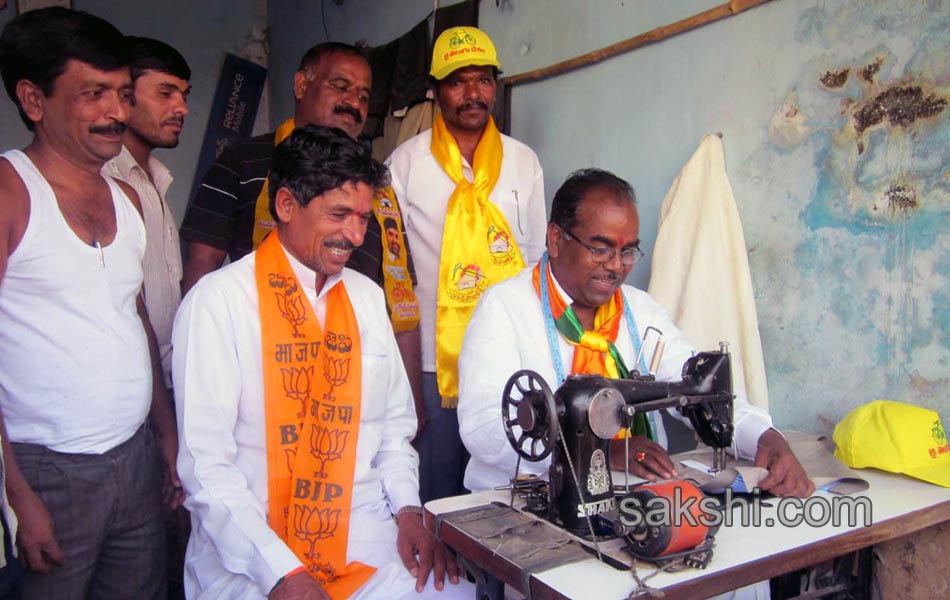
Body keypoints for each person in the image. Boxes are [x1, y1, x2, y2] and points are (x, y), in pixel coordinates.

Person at [173, 125, 469, 600]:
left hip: (363, 528)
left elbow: (393, 433)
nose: (354, 235)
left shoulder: (367, 299)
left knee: (454, 593)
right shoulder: (219, 303)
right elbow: (206, 467)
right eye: (339, 214)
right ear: (287, 206)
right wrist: (280, 573)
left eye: (362, 217)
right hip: (254, 545)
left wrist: (411, 513)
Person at [458, 168, 814, 499]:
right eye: (600, 248)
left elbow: (694, 383)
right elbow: (482, 427)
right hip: (517, 500)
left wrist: (765, 437)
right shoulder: (504, 308)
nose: (615, 266)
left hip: (625, 498)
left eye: (627, 251)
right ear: (555, 239)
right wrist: (599, 451)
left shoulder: (639, 312)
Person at [0, 7, 180, 598]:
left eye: (123, 94)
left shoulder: (127, 197)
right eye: (94, 94)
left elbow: (134, 325)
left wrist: (166, 438)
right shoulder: (10, 194)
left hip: (133, 459)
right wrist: (15, 493)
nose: (116, 113)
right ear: (33, 99)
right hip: (45, 472)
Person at [179, 42, 424, 435]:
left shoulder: (375, 184)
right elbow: (201, 270)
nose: (353, 103)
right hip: (264, 380)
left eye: (363, 95)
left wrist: (411, 402)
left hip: (357, 377)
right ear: (300, 85)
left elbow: (400, 296)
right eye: (340, 87)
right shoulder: (241, 162)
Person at [387, 26, 546, 503]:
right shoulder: (404, 164)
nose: (473, 93)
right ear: (435, 92)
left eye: (483, 80)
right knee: (437, 485)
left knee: (508, 485)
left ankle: (491, 576)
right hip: (436, 364)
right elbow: (394, 273)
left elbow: (537, 256)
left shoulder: (524, 163)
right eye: (458, 82)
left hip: (511, 356)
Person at [103, 36, 191, 394]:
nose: (182, 107)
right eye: (165, 93)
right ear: (124, 97)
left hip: (169, 378)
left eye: (185, 95)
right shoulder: (106, 180)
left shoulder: (157, 177)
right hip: (130, 387)